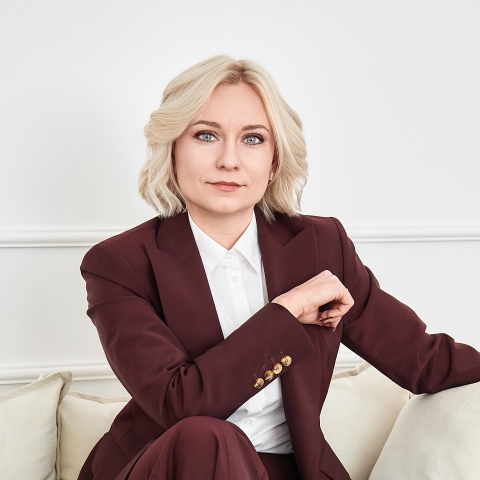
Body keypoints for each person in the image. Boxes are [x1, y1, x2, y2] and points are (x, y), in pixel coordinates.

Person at [78, 56, 480, 480]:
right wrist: (286, 314)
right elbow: (181, 404)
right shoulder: (119, 264)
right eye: (206, 135)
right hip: (172, 465)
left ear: (273, 161)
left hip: (285, 469)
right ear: (173, 150)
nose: (229, 160)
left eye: (252, 139)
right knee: (204, 436)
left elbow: (422, 360)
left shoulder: (320, 246)